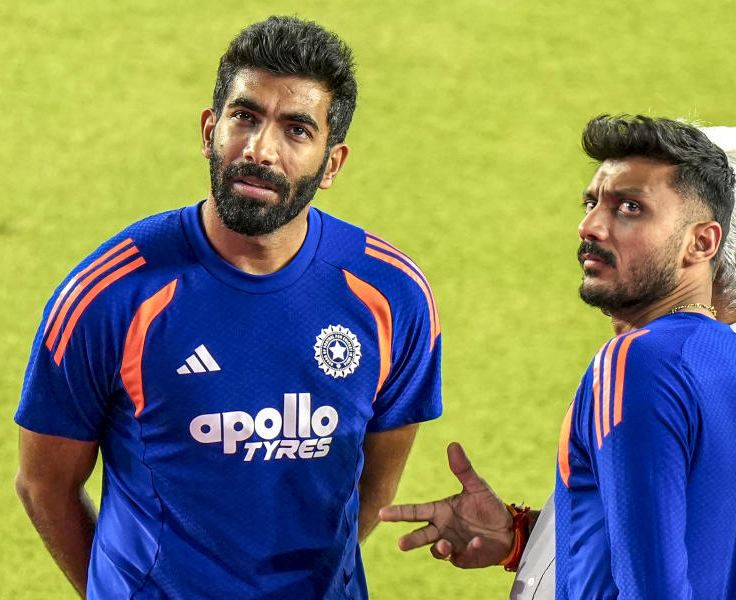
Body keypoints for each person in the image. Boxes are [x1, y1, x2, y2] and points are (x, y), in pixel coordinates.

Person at [14, 16, 441, 599]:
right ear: (209, 129)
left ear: (332, 163)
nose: (261, 150)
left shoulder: (392, 296)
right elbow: (44, 485)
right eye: (245, 117)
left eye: (296, 130)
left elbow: (370, 488)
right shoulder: (111, 292)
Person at [381, 115, 736, 598]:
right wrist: (520, 538)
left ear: (703, 242)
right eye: (591, 203)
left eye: (630, 208)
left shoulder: (633, 362)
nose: (590, 226)